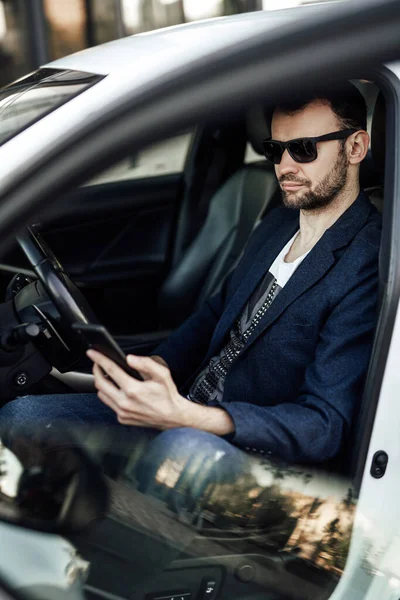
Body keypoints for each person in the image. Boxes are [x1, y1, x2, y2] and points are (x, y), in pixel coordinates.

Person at [0, 83, 381, 476]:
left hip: (247, 448)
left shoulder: (369, 261)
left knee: (177, 449)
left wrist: (192, 417)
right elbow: (215, 313)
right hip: (184, 408)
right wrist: (154, 366)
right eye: (274, 149)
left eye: (303, 148)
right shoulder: (279, 221)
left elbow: (323, 425)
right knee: (22, 417)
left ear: (355, 148)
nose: (284, 166)